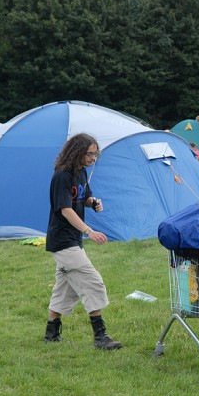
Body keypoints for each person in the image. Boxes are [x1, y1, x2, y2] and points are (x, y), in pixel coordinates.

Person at [43, 133, 122, 350]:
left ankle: (51, 333)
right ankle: (100, 337)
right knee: (91, 282)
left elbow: (81, 198)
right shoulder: (62, 176)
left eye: (95, 154)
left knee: (65, 288)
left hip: (73, 239)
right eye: (89, 153)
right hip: (62, 240)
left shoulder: (81, 173)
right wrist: (89, 231)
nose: (93, 158)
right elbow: (65, 209)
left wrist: (93, 202)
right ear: (76, 151)